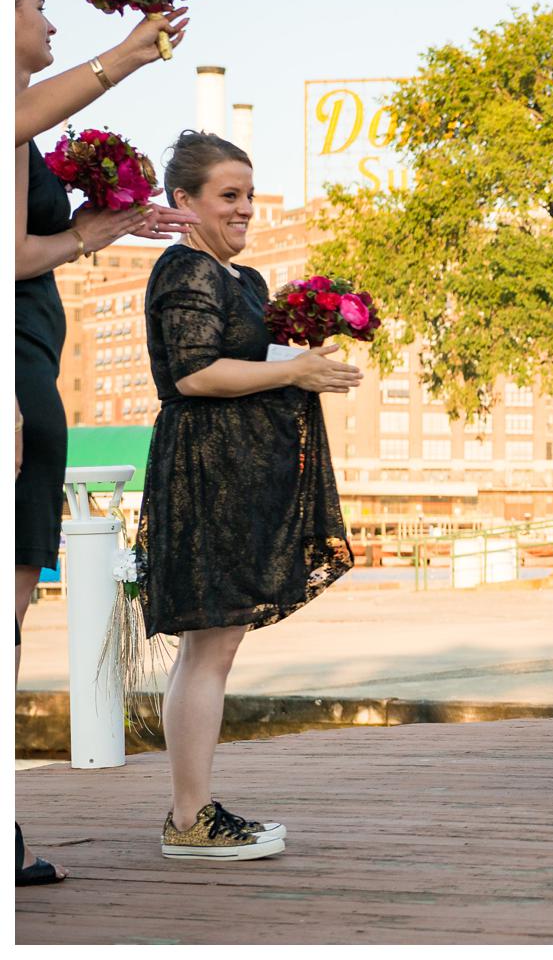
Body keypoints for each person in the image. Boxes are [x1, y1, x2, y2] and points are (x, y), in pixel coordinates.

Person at [15, 0, 192, 886]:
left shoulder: (20, 135)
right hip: (15, 369)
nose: (48, 21)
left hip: (32, 361)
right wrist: (125, 55)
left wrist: (108, 223)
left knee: (14, 603)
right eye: (37, 5)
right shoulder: (14, 123)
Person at [139, 132, 360, 861]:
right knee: (208, 648)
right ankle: (189, 819)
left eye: (249, 196)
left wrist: (307, 364)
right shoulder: (185, 271)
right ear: (184, 202)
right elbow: (196, 375)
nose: (244, 209)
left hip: (239, 476)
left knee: (214, 647)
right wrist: (293, 371)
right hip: (205, 474)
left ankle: (194, 811)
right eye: (227, 196)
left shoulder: (244, 281)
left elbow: (247, 362)